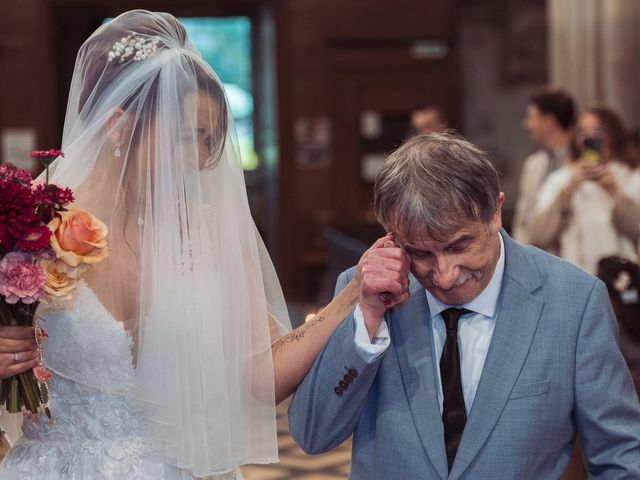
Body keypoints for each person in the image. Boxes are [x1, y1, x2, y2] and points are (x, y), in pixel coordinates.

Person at [0, 10, 390, 479]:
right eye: (189, 137)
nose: (201, 158)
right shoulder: (27, 225)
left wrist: (352, 295)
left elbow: (261, 371)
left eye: (210, 140)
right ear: (119, 126)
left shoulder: (203, 235)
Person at [288, 132, 640, 479]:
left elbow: (621, 457)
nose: (443, 275)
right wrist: (366, 319)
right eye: (420, 253)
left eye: (459, 246)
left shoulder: (573, 301)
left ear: (495, 213)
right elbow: (313, 435)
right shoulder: (362, 290)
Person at [528, 106, 640, 273]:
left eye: (598, 130)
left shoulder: (630, 176)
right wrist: (567, 193)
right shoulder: (560, 180)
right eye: (582, 132)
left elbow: (636, 229)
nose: (589, 136)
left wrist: (614, 192)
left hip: (624, 277)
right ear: (575, 138)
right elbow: (538, 234)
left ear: (612, 133)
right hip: (578, 274)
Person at [512, 88, 575, 244]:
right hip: (535, 254)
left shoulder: (579, 163)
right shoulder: (533, 164)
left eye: (531, 117)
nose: (527, 125)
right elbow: (522, 218)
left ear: (549, 121)